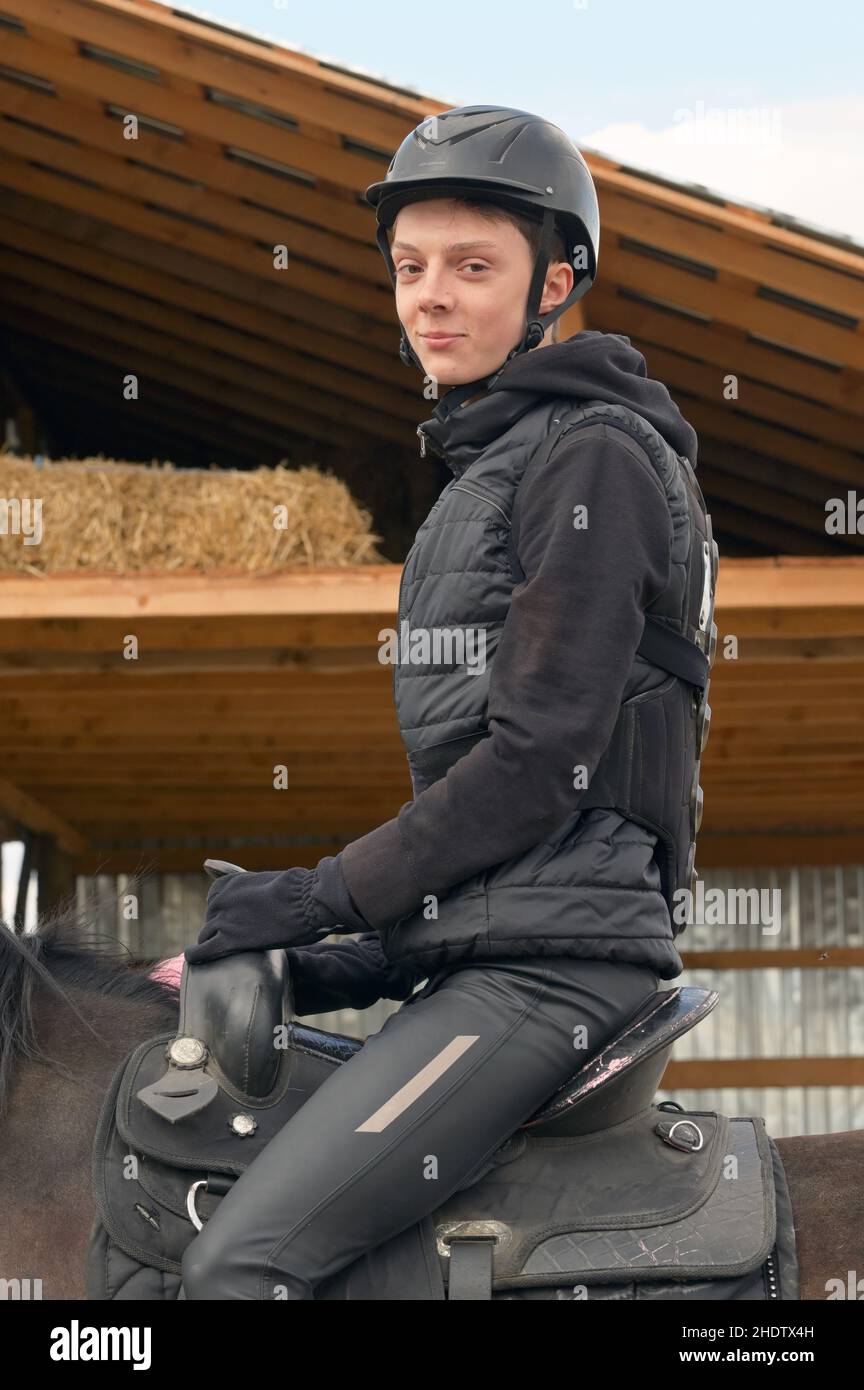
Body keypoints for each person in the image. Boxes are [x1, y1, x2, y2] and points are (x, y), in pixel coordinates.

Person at [180, 105, 716, 1300]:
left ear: (555, 282)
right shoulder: (495, 468)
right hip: (506, 957)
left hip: (555, 982)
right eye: (410, 268)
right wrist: (337, 961)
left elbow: (541, 769)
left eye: (473, 267)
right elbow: (507, 861)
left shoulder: (592, 456)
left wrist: (307, 897)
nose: (432, 296)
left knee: (240, 1266)